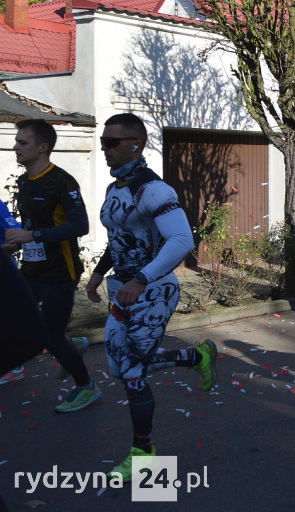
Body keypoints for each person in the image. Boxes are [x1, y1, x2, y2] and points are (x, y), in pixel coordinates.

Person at [83, 113, 215, 481]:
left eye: (112, 142)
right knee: (116, 366)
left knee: (133, 371)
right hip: (123, 289)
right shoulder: (115, 189)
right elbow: (119, 239)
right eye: (103, 141)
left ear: (135, 145)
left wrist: (141, 279)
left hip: (153, 291)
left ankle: (145, 454)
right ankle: (196, 356)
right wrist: (96, 275)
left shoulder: (155, 191)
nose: (105, 148)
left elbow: (181, 241)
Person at [0, 120, 96, 407]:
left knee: (51, 338)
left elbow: (81, 225)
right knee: (11, 320)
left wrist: (34, 235)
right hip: (30, 269)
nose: (15, 147)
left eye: (22, 143)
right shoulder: (24, 180)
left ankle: (87, 386)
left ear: (43, 148)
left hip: (59, 272)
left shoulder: (62, 181)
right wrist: (15, 243)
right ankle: (62, 348)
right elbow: (30, 225)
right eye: (16, 141)